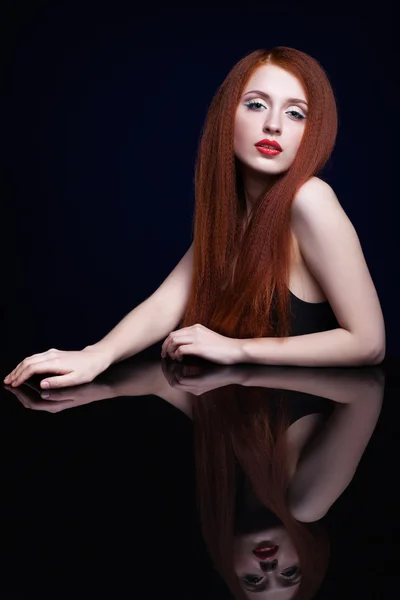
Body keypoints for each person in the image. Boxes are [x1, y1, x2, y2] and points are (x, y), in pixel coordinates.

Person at [3, 46, 385, 391]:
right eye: (256, 104)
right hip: (243, 435)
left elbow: (368, 343)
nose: (274, 125)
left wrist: (237, 350)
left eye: (295, 113)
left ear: (312, 132)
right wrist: (96, 355)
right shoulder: (233, 214)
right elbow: (165, 304)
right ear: (227, 115)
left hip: (313, 429)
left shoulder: (310, 199)